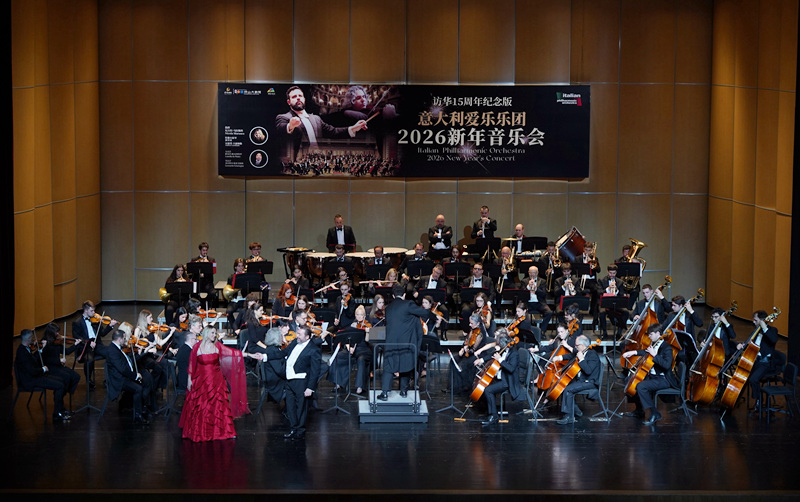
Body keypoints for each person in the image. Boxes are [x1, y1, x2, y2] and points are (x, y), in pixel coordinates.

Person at [179, 325, 250, 441]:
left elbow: (232, 353)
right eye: (212, 333)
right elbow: (192, 365)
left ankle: (224, 431)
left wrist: (250, 355)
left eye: (215, 333)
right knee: (203, 407)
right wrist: (189, 380)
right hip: (202, 382)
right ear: (206, 333)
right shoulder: (197, 347)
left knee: (219, 406)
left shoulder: (217, 346)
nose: (214, 335)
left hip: (217, 381)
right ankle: (202, 433)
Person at [276, 86, 368, 162]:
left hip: (317, 157)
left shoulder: (316, 119)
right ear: (289, 102)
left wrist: (354, 128)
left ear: (304, 99)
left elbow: (333, 132)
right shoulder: (284, 117)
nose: (298, 98)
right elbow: (281, 128)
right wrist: (290, 126)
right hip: (298, 160)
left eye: (300, 95)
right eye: (294, 97)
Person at [377, 284, 430, 400]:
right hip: (406, 343)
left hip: (390, 342)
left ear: (393, 295)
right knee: (405, 365)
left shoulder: (388, 308)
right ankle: (404, 391)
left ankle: (385, 393)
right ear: (404, 294)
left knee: (389, 366)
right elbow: (423, 314)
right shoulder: (409, 304)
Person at [621, 324, 678, 425]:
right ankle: (639, 410)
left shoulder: (667, 348)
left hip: (663, 379)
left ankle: (655, 413)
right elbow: (645, 352)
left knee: (641, 386)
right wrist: (633, 352)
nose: (649, 336)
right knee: (630, 381)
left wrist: (654, 355)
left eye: (651, 334)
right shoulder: (654, 344)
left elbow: (666, 365)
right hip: (653, 377)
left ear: (658, 333)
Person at [15, 329, 71, 422]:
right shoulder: (22, 353)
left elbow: (34, 359)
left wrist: (41, 350)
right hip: (30, 380)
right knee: (60, 386)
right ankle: (57, 414)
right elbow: (32, 371)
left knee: (62, 380)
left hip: (35, 376)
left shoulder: (25, 348)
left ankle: (61, 409)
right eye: (31, 338)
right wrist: (43, 369)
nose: (33, 339)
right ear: (28, 339)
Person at [105, 325, 154, 424]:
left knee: (146, 381)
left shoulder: (117, 348)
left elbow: (128, 362)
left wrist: (140, 354)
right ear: (119, 339)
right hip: (119, 380)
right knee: (138, 388)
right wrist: (135, 376)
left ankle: (143, 408)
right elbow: (122, 369)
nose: (125, 340)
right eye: (124, 338)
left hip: (123, 376)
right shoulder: (112, 351)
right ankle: (138, 415)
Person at [280, 325, 321, 440]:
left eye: (299, 334)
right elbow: (283, 353)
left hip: (301, 381)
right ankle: (293, 428)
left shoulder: (314, 349)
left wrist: (310, 388)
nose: (296, 336)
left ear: (307, 337)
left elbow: (315, 371)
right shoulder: (295, 342)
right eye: (297, 333)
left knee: (301, 407)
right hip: (289, 379)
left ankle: (300, 431)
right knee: (290, 406)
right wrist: (265, 356)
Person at [477, 329, 525, 426]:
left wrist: (500, 360)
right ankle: (490, 413)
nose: (497, 345)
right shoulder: (504, 349)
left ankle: (494, 416)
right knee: (485, 386)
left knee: (488, 390)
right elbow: (492, 355)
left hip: (508, 381)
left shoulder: (514, 353)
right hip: (502, 377)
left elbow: (511, 369)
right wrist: (482, 360)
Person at [737, 310, 781, 412]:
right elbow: (750, 344)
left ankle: (759, 400)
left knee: (753, 379)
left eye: (755, 320)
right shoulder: (756, 331)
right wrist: (742, 345)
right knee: (744, 376)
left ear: (762, 320)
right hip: (754, 361)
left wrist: (764, 327)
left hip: (765, 363)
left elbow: (773, 340)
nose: (753, 322)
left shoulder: (772, 330)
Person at [553, 335, 601, 424]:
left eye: (576, 345)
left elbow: (588, 371)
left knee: (568, 390)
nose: (575, 347)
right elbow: (571, 354)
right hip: (581, 380)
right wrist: (559, 358)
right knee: (563, 386)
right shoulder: (581, 351)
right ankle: (575, 410)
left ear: (582, 345)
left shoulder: (592, 355)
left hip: (589, 382)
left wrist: (581, 359)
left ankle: (569, 417)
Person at [72, 300, 117, 389]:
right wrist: (88, 342)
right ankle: (88, 380)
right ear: (86, 310)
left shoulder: (96, 320)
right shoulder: (77, 323)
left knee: (111, 353)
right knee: (89, 359)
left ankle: (109, 379)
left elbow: (102, 334)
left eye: (94, 310)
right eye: (92, 311)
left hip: (97, 345)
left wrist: (110, 326)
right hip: (84, 347)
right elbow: (77, 338)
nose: (94, 313)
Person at [40, 323, 81, 399]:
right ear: (51, 332)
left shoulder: (57, 342)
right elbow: (45, 359)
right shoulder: (45, 343)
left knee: (76, 376)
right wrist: (59, 360)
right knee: (67, 377)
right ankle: (59, 395)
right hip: (50, 367)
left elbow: (66, 351)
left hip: (58, 366)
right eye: (56, 332)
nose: (58, 334)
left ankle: (62, 393)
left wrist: (75, 345)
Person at [597, 264, 628, 339]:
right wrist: (608, 289)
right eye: (610, 273)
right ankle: (604, 333)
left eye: (614, 273)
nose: (612, 275)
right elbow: (599, 292)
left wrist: (616, 290)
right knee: (602, 313)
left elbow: (622, 294)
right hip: (605, 304)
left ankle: (619, 333)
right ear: (607, 272)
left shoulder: (620, 282)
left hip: (616, 304)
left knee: (626, 312)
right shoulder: (602, 280)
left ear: (616, 273)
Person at [525, 265, 553, 335]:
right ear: (528, 273)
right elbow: (522, 293)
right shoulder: (524, 281)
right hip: (528, 303)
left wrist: (536, 289)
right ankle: (525, 331)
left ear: (537, 273)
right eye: (531, 272)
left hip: (539, 303)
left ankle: (542, 331)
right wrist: (528, 287)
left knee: (549, 312)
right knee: (520, 311)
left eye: (534, 272)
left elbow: (544, 294)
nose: (532, 274)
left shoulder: (542, 281)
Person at [190, 242, 217, 308]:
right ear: (200, 250)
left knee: (212, 293)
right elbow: (191, 273)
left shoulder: (211, 260)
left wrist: (208, 264)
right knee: (193, 293)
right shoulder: (194, 260)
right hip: (197, 282)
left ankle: (206, 305)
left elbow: (213, 272)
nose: (205, 252)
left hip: (208, 283)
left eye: (206, 250)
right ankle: (196, 307)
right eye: (203, 250)